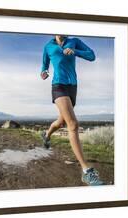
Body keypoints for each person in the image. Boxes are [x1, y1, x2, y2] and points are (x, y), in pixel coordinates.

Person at [40, 35, 104, 186]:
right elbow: (44, 66)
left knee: (62, 121)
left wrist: (75, 51)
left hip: (72, 87)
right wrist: (43, 72)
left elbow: (92, 56)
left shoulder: (74, 41)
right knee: (73, 124)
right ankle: (86, 172)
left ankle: (46, 135)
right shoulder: (48, 46)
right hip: (58, 86)